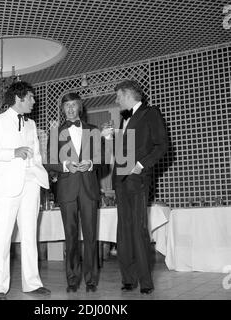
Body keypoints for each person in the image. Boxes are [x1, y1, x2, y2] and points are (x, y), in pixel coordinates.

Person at [0, 81, 50, 299]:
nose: (34, 101)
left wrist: (41, 176)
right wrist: (13, 152)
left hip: (31, 185)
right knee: (1, 235)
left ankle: (32, 283)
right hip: (7, 186)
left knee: (30, 235)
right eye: (30, 97)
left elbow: (36, 154)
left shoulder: (30, 125)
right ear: (18, 98)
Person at [102, 79, 168, 294]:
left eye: (118, 96)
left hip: (138, 179)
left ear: (128, 94)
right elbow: (122, 152)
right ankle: (128, 278)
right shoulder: (123, 119)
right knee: (123, 231)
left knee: (139, 230)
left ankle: (145, 282)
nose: (116, 100)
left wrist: (141, 165)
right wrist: (111, 139)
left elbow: (162, 145)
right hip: (120, 181)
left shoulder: (151, 113)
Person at [45, 92, 101, 293]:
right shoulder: (55, 133)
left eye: (73, 105)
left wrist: (91, 163)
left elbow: (101, 158)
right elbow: (49, 162)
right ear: (62, 109)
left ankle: (91, 279)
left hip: (89, 188)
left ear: (79, 108)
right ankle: (72, 279)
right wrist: (66, 166)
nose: (70, 109)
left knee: (91, 235)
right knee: (70, 236)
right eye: (66, 106)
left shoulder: (93, 130)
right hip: (67, 189)